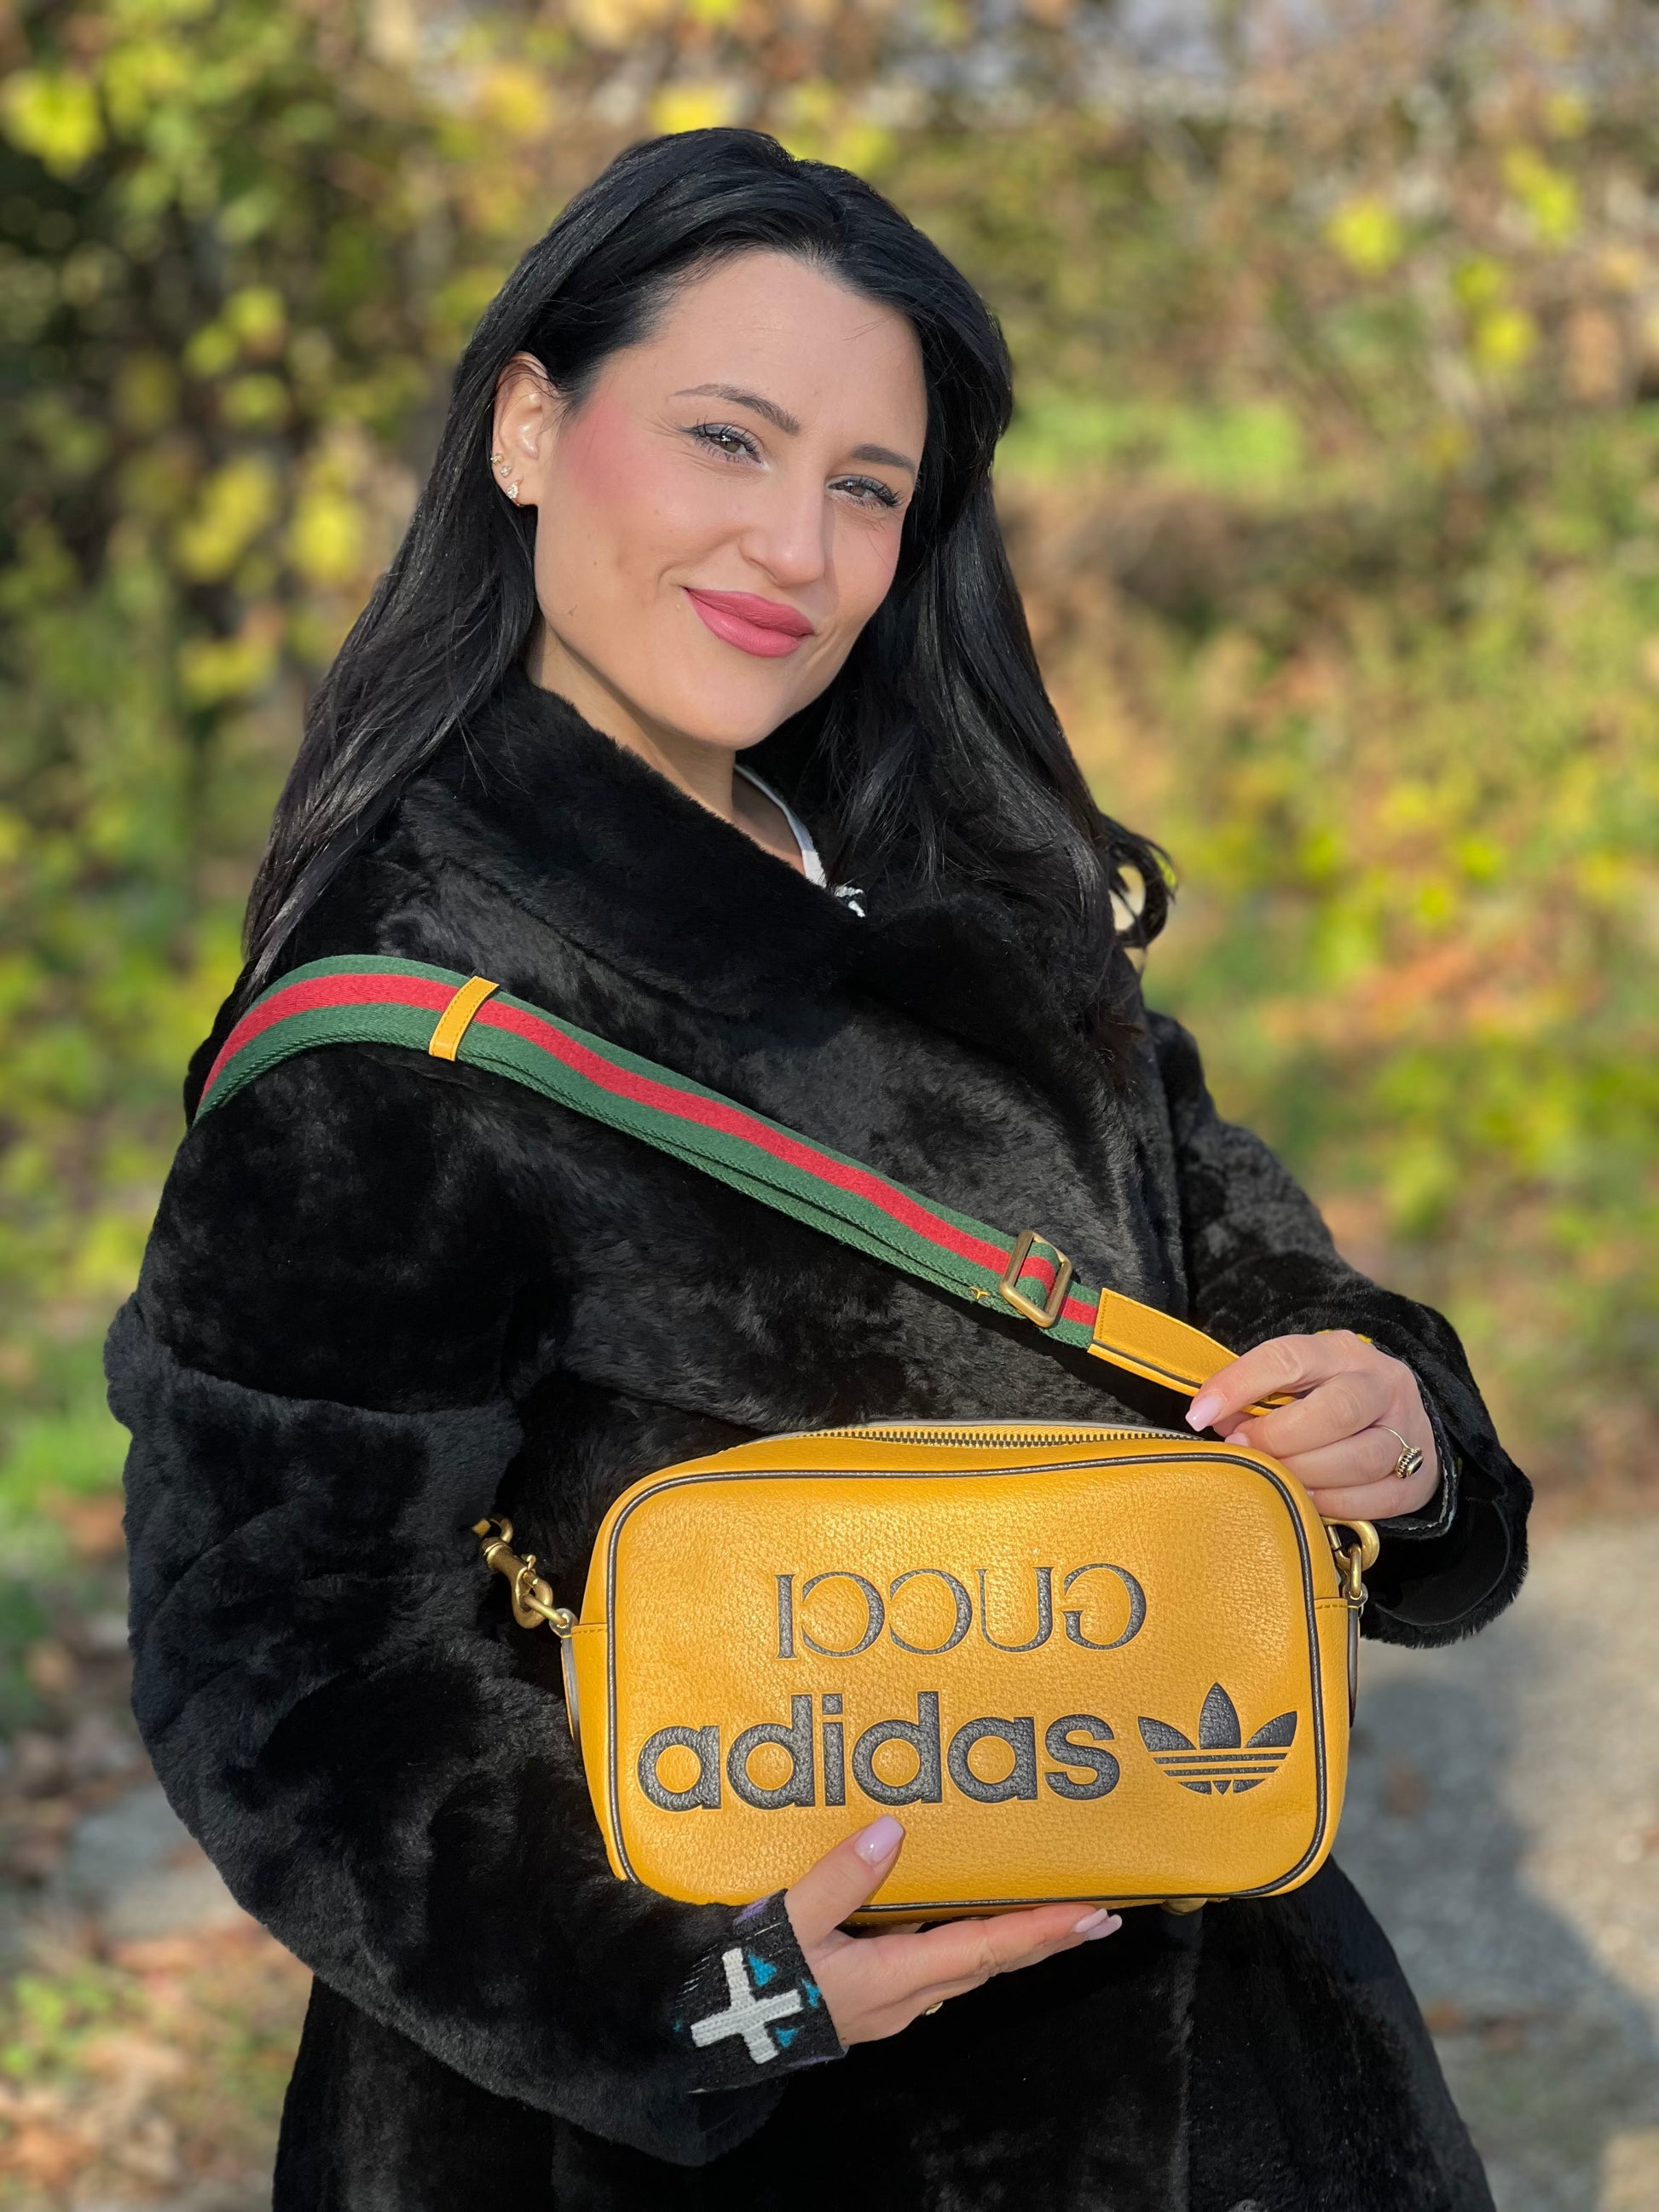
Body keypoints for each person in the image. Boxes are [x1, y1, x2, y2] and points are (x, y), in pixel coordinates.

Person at [107, 128, 1529, 2210]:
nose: (797, 544)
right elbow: (287, 1673)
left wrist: (1392, 1423)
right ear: (529, 424)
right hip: (707, 2143)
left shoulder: (968, 880)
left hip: (1225, 2071)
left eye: (869, 486)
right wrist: (710, 1991)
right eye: (727, 438)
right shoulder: (399, 1022)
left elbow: (1231, 1253)